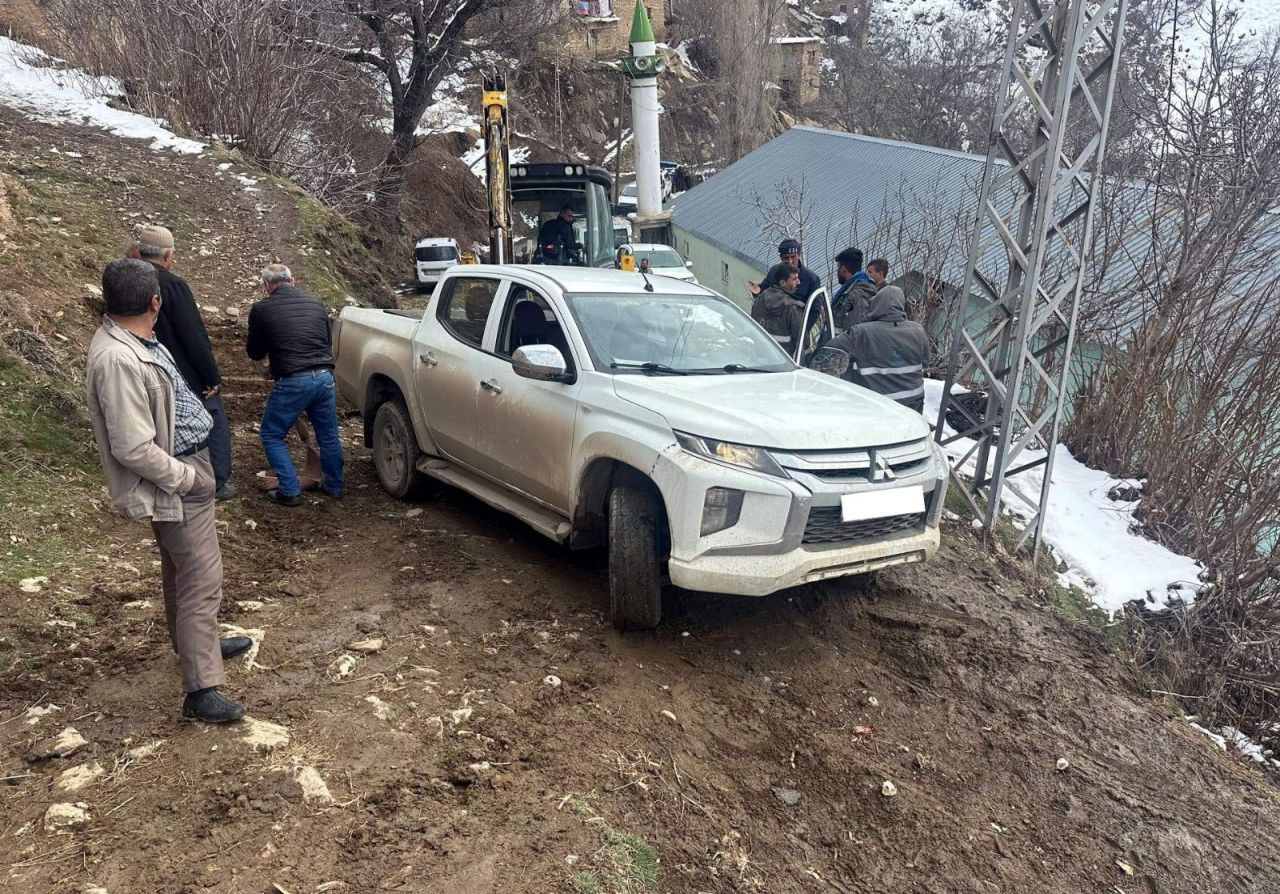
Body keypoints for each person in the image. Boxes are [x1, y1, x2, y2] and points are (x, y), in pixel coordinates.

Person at [86, 259, 249, 723]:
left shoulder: (133, 339)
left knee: (182, 569)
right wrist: (188, 478)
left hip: (184, 470)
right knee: (201, 578)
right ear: (154, 302)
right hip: (177, 477)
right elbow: (133, 446)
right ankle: (202, 689)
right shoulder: (118, 358)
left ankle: (195, 646)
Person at [127, 224, 234, 501]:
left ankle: (165, 475)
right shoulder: (173, 285)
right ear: (167, 256)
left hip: (140, 365)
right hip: (184, 370)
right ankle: (218, 482)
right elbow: (194, 336)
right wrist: (211, 376)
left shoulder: (129, 281)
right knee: (214, 421)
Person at [246, 264, 343, 506]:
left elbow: (254, 350)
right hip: (324, 376)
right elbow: (326, 341)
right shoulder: (316, 304)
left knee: (271, 434)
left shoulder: (261, 309)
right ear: (293, 280)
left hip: (293, 380)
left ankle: (289, 490)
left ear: (267, 285)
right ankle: (334, 485)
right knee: (328, 436)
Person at [828, 285, 930, 412]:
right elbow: (925, 362)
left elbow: (828, 351)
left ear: (876, 304)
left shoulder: (861, 333)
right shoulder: (918, 330)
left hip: (877, 406)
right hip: (913, 403)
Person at [750, 262, 804, 350]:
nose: (798, 282)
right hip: (785, 360)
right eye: (794, 279)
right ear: (782, 283)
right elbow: (802, 343)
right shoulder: (793, 307)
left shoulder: (760, 299)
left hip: (759, 356)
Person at [750, 238, 821, 302]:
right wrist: (757, 292)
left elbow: (813, 312)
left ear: (799, 255)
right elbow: (764, 296)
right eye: (786, 258)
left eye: (793, 257)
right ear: (781, 258)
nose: (790, 261)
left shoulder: (812, 279)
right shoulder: (774, 272)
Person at [831, 247, 877, 331]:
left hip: (842, 343)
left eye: (838, 267)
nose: (837, 271)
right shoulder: (852, 290)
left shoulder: (856, 295)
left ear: (844, 268)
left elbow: (854, 331)